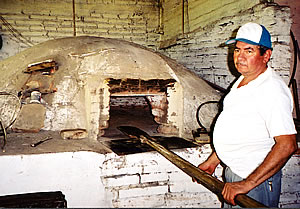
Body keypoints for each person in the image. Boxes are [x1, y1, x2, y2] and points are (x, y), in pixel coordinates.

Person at [193, 22, 298, 207]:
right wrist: (213, 161)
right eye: (237, 50)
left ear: (266, 55)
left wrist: (246, 184)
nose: (239, 57)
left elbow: (287, 145)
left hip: (256, 181)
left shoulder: (272, 90)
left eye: (248, 51)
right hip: (236, 174)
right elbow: (239, 128)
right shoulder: (243, 80)